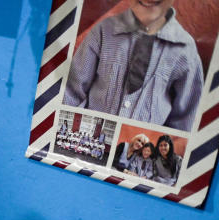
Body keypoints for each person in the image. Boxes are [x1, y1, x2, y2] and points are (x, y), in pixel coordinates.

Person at [63, 0, 203, 132]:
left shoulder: (185, 50)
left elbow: (185, 118)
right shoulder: (103, 31)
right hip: (89, 138)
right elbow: (72, 91)